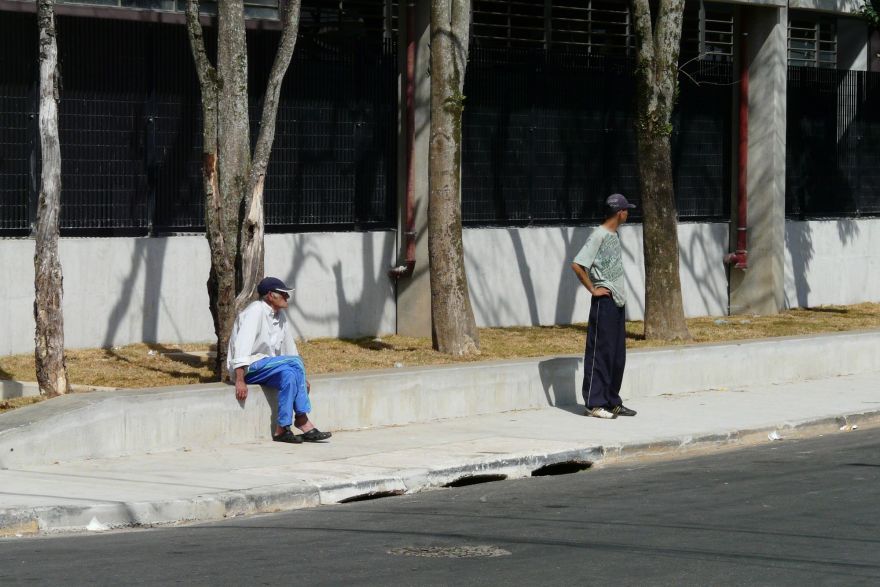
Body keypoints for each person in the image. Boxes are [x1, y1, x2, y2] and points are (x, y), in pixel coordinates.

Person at [227, 276, 332, 443]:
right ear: (270, 295)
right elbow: (241, 347)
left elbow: (290, 349)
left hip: (268, 367)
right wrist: (239, 379)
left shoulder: (280, 315)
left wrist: (301, 378)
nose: (287, 297)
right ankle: (302, 419)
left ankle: (281, 429)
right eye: (283, 294)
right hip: (250, 368)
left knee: (290, 376)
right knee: (295, 363)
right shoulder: (255, 310)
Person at [570, 194, 639, 419]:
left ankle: (612, 400)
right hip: (604, 302)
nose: (628, 213)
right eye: (626, 210)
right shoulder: (598, 235)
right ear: (619, 212)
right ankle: (595, 403)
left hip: (617, 301)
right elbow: (578, 264)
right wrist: (593, 289)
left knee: (617, 355)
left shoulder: (613, 234)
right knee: (600, 353)